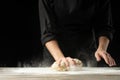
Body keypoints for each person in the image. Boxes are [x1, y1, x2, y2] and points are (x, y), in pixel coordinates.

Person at [38, 0, 116, 67]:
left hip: (86, 53)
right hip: (55, 54)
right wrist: (60, 59)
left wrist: (102, 48)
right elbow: (48, 32)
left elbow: (104, 26)